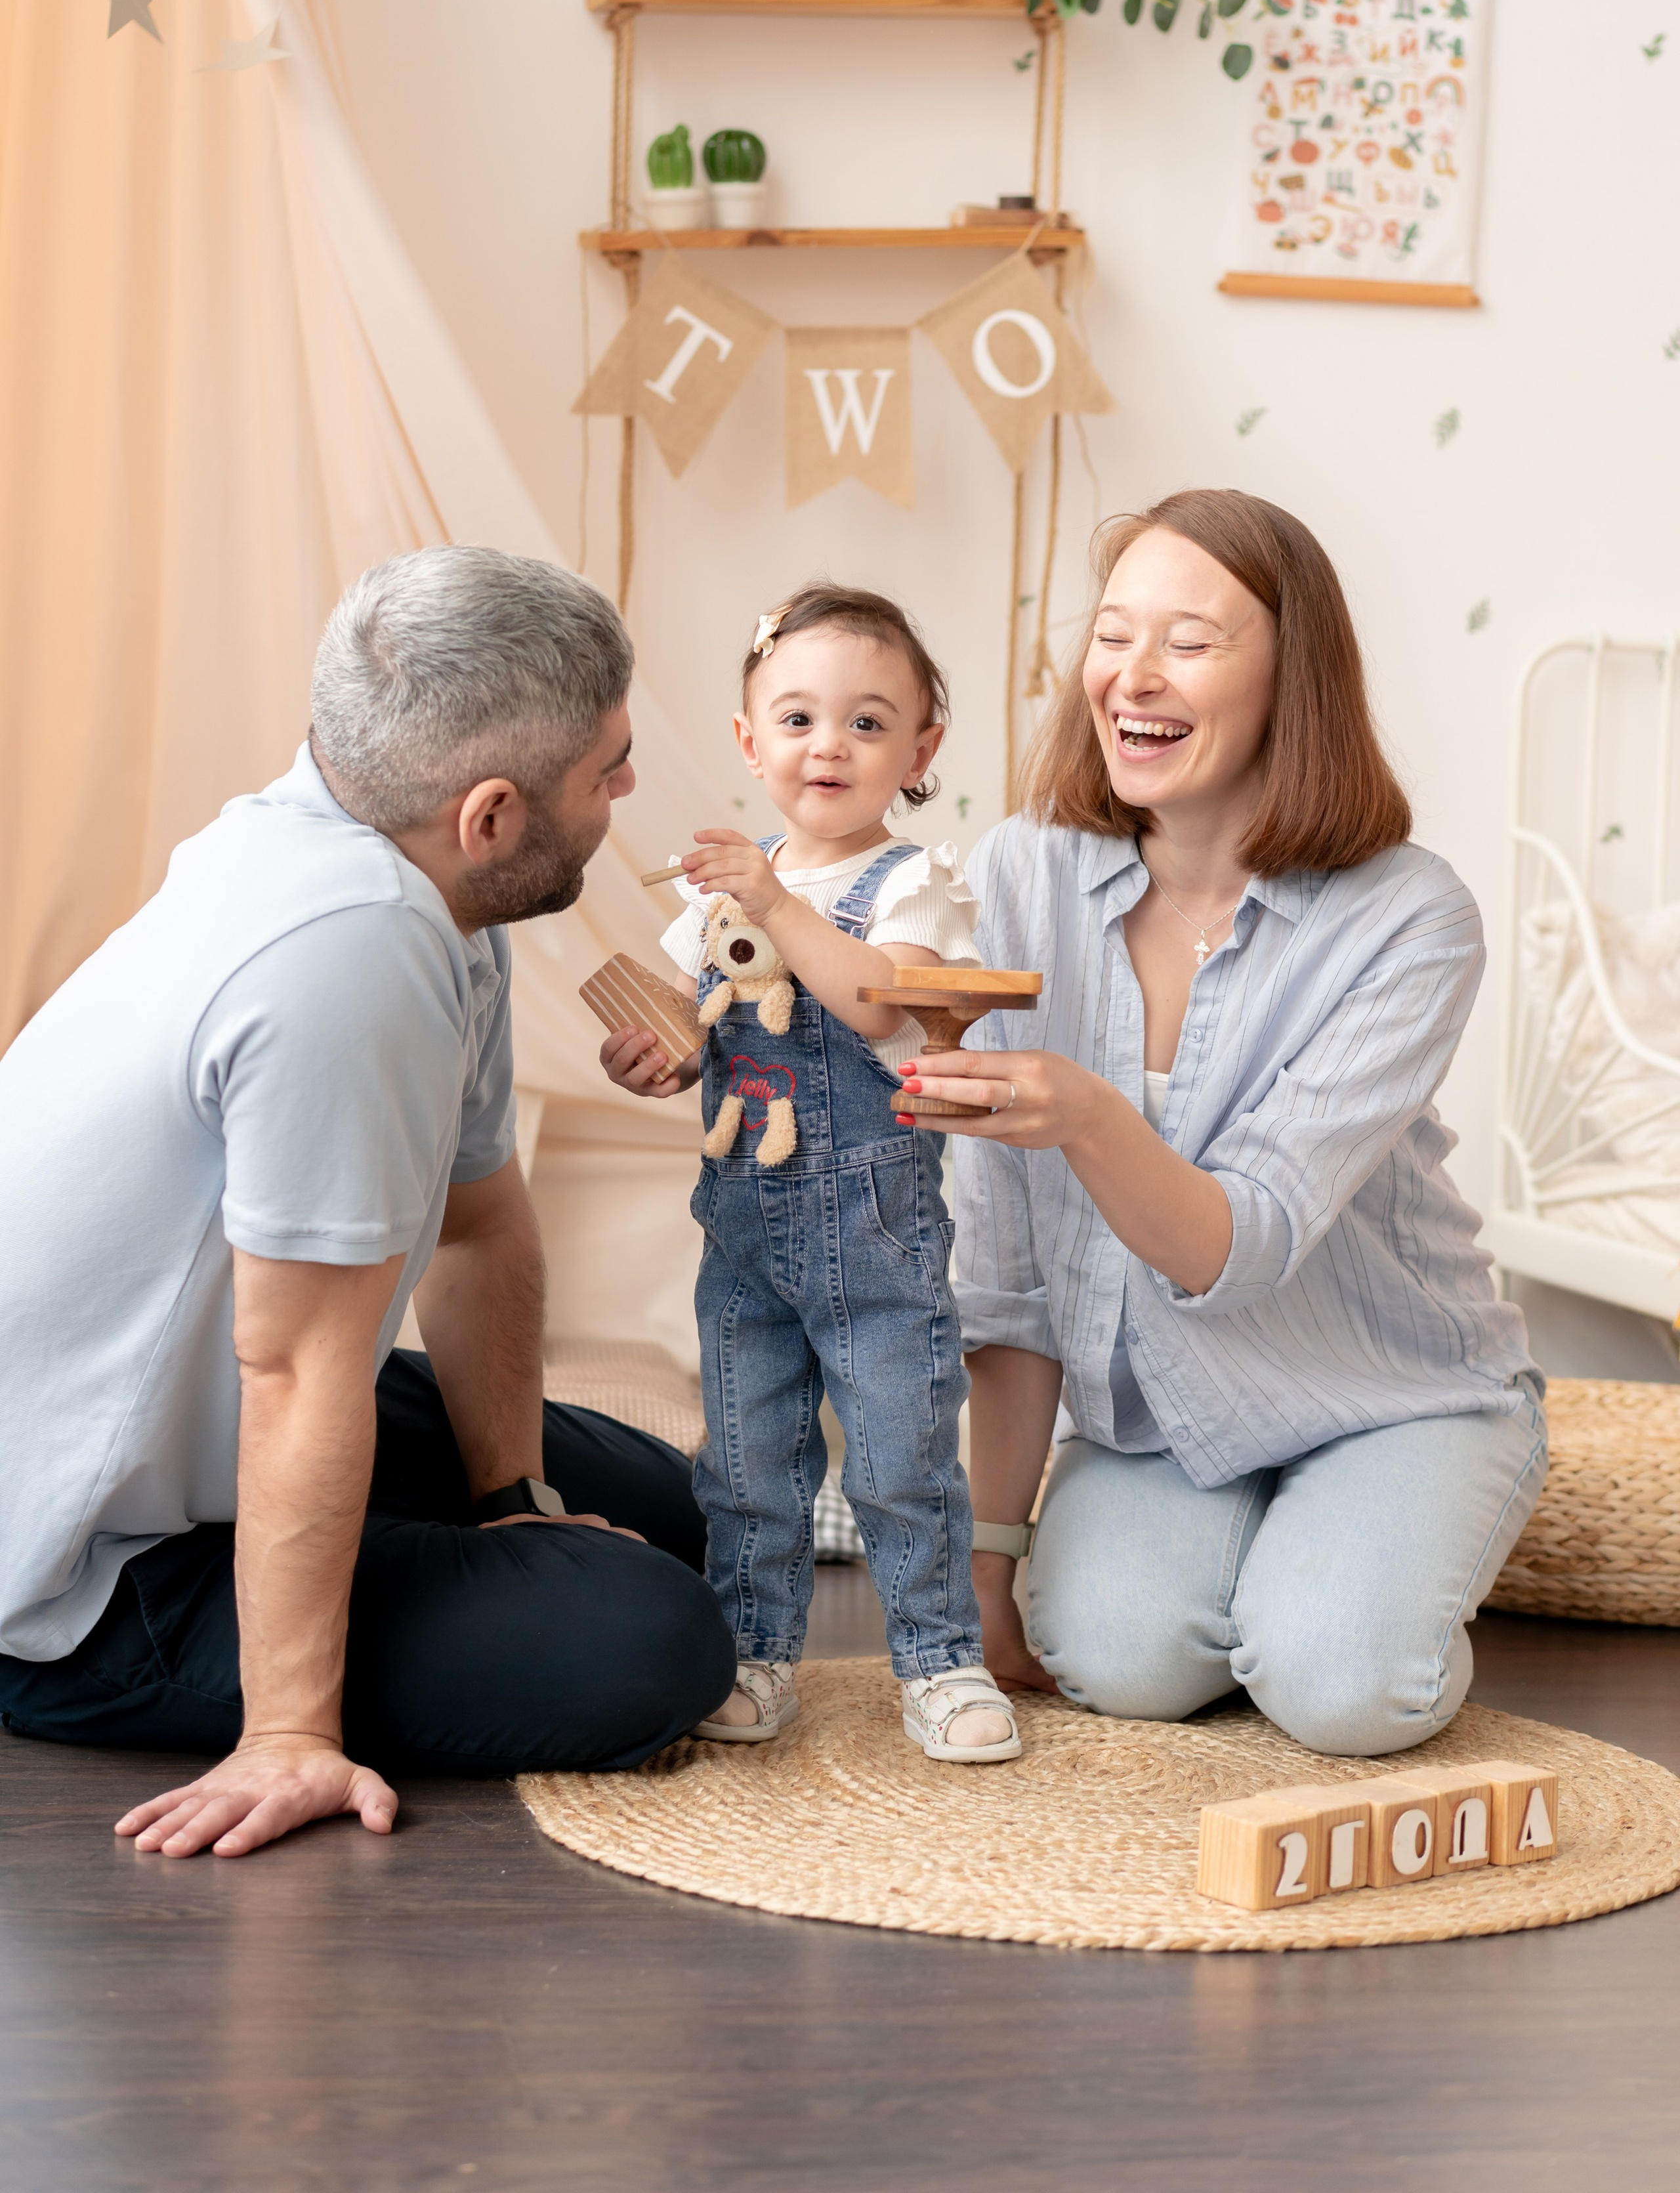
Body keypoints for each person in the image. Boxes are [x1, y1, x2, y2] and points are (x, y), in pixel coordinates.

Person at [0, 545, 735, 1859]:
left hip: (206, 1415)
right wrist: (289, 1736)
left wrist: (512, 1493)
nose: (630, 787)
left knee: (699, 1517)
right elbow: (294, 1370)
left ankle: (464, 1540)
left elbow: (476, 1223)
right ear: (493, 814)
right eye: (605, 770)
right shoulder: (349, 951)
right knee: (649, 1638)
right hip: (68, 1579)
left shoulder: (429, 886)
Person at [896, 490, 1547, 1757]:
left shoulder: (1410, 918)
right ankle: (1267, 1569)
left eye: (1189, 643)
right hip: (1160, 1420)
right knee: (1113, 1661)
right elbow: (1013, 1281)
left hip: (1386, 1391)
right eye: (1114, 634)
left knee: (1347, 1691)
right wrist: (987, 1568)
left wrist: (1083, 1112)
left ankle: (1357, 1557)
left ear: (1288, 682)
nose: (1132, 677)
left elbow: (1239, 1242)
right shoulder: (1023, 876)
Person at [600, 584, 1020, 1762]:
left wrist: (775, 898)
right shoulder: (717, 897)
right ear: (750, 743)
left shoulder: (911, 884)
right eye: (796, 720)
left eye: (868, 723)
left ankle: (939, 1662)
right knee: (746, 1455)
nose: (827, 746)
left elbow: (877, 999)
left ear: (922, 751)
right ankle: (755, 1653)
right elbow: (695, 1022)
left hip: (871, 1218)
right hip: (742, 1218)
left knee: (898, 1454)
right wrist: (651, 1050)